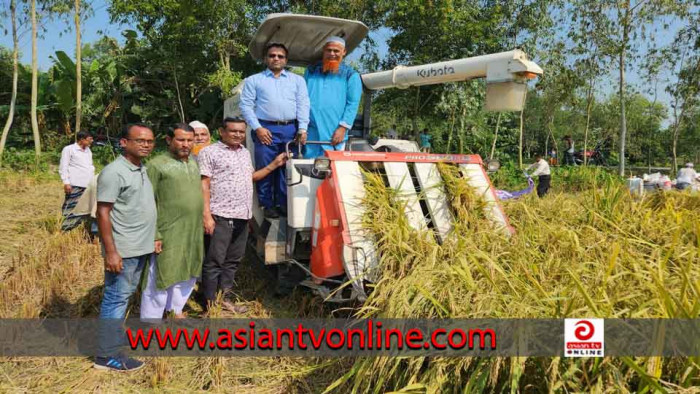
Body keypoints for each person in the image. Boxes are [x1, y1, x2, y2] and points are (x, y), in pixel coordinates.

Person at [197, 117, 288, 312]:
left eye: (241, 131)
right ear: (222, 132)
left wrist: (274, 164)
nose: (238, 135)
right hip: (220, 214)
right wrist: (206, 215)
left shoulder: (245, 153)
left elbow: (251, 178)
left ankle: (224, 299)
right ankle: (209, 305)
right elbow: (203, 184)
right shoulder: (209, 152)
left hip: (242, 215)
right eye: (233, 131)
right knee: (215, 261)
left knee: (232, 261)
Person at [94, 123, 156, 372]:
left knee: (123, 297)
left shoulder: (141, 169)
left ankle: (113, 344)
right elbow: (102, 213)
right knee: (116, 299)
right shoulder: (114, 172)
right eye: (140, 140)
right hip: (124, 250)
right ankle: (106, 356)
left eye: (150, 141)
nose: (146, 144)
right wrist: (111, 251)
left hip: (140, 247)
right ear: (124, 142)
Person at [240, 43, 310, 219]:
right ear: (266, 58)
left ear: (286, 60)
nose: (276, 58)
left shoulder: (297, 80)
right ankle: (267, 204)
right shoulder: (254, 80)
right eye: (272, 55)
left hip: (290, 128)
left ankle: (283, 203)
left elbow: (303, 104)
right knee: (265, 166)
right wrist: (258, 128)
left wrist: (302, 128)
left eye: (280, 56)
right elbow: (246, 106)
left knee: (287, 166)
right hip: (265, 128)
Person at [140, 124, 202, 320]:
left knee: (186, 270)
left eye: (189, 140)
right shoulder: (156, 165)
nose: (186, 144)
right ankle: (151, 320)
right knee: (160, 275)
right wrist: (155, 234)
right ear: (169, 140)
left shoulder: (193, 162)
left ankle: (175, 309)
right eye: (181, 139)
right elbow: (146, 202)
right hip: (167, 231)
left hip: (192, 229)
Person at [303, 36, 362, 158]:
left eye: (336, 51)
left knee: (331, 171)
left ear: (344, 52)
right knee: (307, 170)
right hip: (310, 132)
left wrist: (343, 128)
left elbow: (353, 104)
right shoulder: (311, 71)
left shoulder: (351, 75)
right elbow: (302, 98)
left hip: (334, 133)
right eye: (329, 50)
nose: (332, 54)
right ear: (323, 51)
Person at [58, 131, 95, 231]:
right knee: (71, 205)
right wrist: (66, 182)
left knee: (86, 207)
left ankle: (81, 227)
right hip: (75, 183)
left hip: (88, 184)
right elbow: (63, 166)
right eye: (89, 139)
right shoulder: (69, 149)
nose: (91, 141)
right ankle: (66, 228)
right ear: (82, 139)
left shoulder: (88, 150)